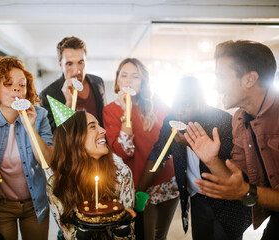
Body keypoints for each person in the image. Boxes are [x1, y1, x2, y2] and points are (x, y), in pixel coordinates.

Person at [184, 40, 279, 239]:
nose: (214, 85)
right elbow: (235, 183)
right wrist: (211, 160)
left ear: (249, 79)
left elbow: (244, 190)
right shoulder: (239, 118)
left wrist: (246, 190)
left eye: (220, 77)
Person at [138, 77, 251, 240]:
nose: (180, 111)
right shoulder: (172, 121)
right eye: (176, 104)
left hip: (226, 200)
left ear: (201, 102)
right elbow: (158, 154)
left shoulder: (222, 121)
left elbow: (229, 169)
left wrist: (191, 144)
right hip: (197, 198)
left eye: (186, 104)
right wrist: (141, 188)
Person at [0, 56, 53, 240]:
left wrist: (29, 127)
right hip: (0, 206)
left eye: (22, 85)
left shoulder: (40, 116)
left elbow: (47, 161)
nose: (17, 89)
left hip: (35, 204)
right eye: (8, 84)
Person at [103, 58, 179, 240]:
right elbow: (124, 151)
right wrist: (126, 112)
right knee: (144, 236)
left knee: (161, 236)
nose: (129, 80)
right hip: (139, 186)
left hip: (167, 180)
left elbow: (172, 137)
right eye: (124, 75)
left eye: (135, 76)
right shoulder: (111, 111)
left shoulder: (157, 104)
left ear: (143, 81)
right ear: (118, 80)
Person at [46, 97, 135, 239]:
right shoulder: (56, 183)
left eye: (99, 125)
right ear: (73, 139)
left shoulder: (121, 173)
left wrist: (122, 226)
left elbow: (127, 235)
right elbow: (70, 235)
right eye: (93, 126)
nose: (103, 130)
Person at [40, 36, 106, 132]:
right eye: (69, 64)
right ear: (60, 65)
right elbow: (53, 135)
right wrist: (68, 105)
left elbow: (103, 119)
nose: (77, 71)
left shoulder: (98, 82)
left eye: (81, 62)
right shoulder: (47, 95)